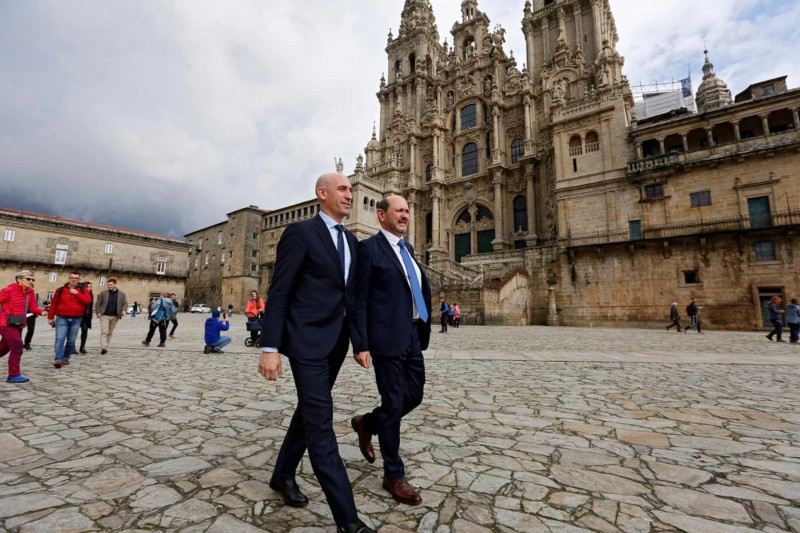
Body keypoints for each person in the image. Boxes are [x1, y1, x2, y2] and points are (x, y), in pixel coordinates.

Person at [257, 172, 375, 533]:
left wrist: (360, 343)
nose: (349, 194)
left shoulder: (353, 243)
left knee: (309, 410)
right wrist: (269, 346)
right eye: (343, 188)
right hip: (306, 342)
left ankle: (282, 474)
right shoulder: (300, 233)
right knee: (321, 423)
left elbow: (351, 299)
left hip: (336, 344)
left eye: (351, 190)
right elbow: (280, 291)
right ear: (321, 193)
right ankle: (348, 520)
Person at [350, 195, 432, 506]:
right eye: (399, 210)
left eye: (408, 211)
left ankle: (368, 423)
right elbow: (359, 299)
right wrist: (361, 343)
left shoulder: (407, 249)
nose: (405, 215)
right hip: (385, 338)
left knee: (415, 395)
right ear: (381, 216)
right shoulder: (368, 249)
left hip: (412, 334)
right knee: (395, 400)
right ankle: (393, 474)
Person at [0, 270, 46, 383]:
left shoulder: (30, 293)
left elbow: (33, 308)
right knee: (17, 345)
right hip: (5, 323)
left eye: (32, 279)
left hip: (18, 324)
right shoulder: (9, 290)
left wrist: (42, 312)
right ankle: (13, 375)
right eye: (28, 279)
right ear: (19, 279)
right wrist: (4, 313)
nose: (31, 281)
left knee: (4, 348)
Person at [48, 272, 92, 368]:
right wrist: (50, 317)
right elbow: (54, 304)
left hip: (76, 319)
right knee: (60, 338)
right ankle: (58, 359)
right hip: (62, 318)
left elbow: (88, 301)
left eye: (76, 278)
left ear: (79, 279)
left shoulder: (83, 290)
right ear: (69, 278)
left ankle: (66, 357)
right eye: (72, 277)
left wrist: (77, 294)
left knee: (71, 340)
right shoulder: (60, 290)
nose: (73, 279)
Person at [95, 278, 128, 354]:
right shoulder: (103, 293)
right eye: (108, 285)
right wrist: (98, 312)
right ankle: (104, 347)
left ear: (115, 284)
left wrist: (123, 310)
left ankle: (106, 346)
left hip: (115, 316)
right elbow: (98, 303)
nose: (109, 286)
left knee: (110, 332)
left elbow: (125, 303)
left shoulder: (122, 294)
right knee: (104, 331)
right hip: (105, 315)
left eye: (111, 285)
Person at [78, 282, 94, 354]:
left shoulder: (91, 295)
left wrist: (90, 317)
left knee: (84, 331)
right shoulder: (81, 294)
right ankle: (71, 347)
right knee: (74, 332)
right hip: (79, 315)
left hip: (86, 317)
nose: (90, 288)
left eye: (91, 287)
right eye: (88, 287)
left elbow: (90, 307)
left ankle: (82, 347)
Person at [23, 286, 41, 350]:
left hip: (31, 314)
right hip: (21, 313)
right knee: (19, 329)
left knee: (31, 329)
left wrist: (38, 311)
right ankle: (18, 343)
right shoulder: (22, 293)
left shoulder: (36, 294)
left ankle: (27, 343)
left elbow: (39, 304)